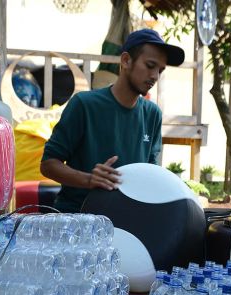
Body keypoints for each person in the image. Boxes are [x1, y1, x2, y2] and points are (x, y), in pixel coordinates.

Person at [40, 29, 184, 213]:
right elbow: (48, 164)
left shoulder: (152, 114)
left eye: (160, 70)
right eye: (150, 65)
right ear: (125, 61)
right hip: (78, 217)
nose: (155, 76)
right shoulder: (84, 104)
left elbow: (151, 173)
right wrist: (89, 179)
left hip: (129, 219)